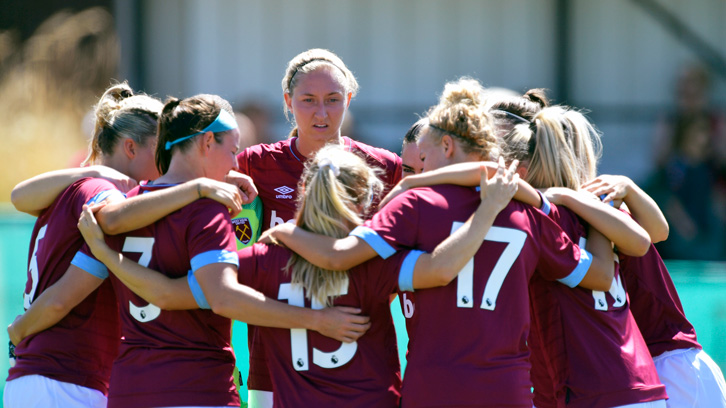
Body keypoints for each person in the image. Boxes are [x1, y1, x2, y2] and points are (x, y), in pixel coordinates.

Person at [261, 78, 618, 407]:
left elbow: (339, 257)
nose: (420, 171)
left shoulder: (416, 204)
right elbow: (600, 275)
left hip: (434, 387)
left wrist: (287, 232)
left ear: (446, 146)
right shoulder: (523, 208)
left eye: (425, 158)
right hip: (509, 389)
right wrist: (602, 213)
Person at [76, 144, 520, 406]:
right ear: (364, 200)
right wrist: (485, 210)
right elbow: (442, 269)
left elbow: (170, 295)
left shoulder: (261, 260)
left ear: (306, 192)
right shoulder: (376, 262)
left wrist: (105, 253)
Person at [67, 93, 373, 408]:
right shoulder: (205, 210)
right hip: (196, 385)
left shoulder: (127, 202)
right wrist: (318, 320)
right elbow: (223, 297)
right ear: (207, 142)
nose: (235, 163)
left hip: (129, 389)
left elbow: (114, 226)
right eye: (232, 150)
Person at [235, 48, 404, 407]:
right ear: (288, 101)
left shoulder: (385, 166)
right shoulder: (255, 163)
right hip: (275, 353)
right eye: (308, 100)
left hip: (362, 350)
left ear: (349, 99)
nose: (321, 112)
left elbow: (399, 254)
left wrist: (357, 294)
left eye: (333, 100)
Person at [4, 83, 162, 408]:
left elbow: (19, 196)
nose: (167, 164)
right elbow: (61, 301)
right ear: (130, 148)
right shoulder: (103, 192)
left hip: (38, 379)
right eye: (162, 152)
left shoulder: (70, 188)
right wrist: (20, 329)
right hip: (64, 382)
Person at [583, 174, 726, 408]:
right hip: (636, 374)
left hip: (671, 363)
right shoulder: (564, 210)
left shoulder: (600, 204)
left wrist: (628, 186)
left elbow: (659, 232)